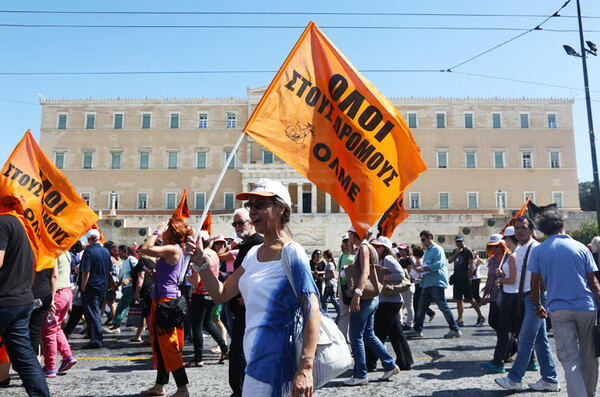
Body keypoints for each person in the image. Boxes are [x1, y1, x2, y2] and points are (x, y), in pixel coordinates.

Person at [185, 178, 321, 397]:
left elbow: (312, 309)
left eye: (259, 204)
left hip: (276, 362)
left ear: (280, 209)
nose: (252, 211)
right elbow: (221, 294)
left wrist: (306, 368)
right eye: (251, 205)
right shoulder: (252, 254)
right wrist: (201, 262)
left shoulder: (291, 251)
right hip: (253, 359)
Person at [529, 208, 600, 396]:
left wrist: (538, 305)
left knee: (570, 360)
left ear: (543, 229)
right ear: (562, 225)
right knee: (590, 357)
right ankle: (589, 393)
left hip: (559, 308)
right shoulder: (581, 248)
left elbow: (534, 283)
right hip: (586, 306)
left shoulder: (539, 250)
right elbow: (593, 282)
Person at [495, 215, 560, 391]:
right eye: (517, 228)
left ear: (532, 230)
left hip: (535, 298)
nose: (519, 231)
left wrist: (538, 299)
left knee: (525, 338)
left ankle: (515, 378)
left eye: (523, 227)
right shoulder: (523, 248)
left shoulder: (536, 248)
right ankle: (550, 379)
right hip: (527, 297)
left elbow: (545, 275)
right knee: (540, 341)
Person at [139, 218, 192, 397]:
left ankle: (182, 388)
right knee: (160, 345)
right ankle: (160, 385)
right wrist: (156, 274)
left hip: (166, 301)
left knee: (169, 345)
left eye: (167, 229)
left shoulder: (172, 249)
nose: (164, 232)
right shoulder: (173, 250)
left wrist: (156, 231)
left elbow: (145, 250)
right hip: (161, 299)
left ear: (173, 231)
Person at [0, 208, 50, 396]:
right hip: (21, 299)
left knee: (25, 357)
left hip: (4, 300)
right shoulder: (21, 225)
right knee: (25, 358)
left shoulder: (2, 224)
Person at [344, 227, 400, 386]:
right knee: (369, 334)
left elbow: (365, 272)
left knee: (356, 336)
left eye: (350, 233)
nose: (348, 236)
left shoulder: (363, 248)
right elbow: (351, 253)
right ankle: (389, 364)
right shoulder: (367, 247)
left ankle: (360, 374)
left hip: (364, 297)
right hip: (373, 298)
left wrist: (357, 293)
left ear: (354, 234)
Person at [227, 207, 263, 397]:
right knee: (239, 352)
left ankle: (240, 392)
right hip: (242, 306)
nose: (238, 226)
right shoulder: (248, 243)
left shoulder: (256, 243)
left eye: (241, 222)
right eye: (235, 223)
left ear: (252, 223)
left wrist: (246, 294)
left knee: (239, 353)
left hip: (247, 307)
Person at [366, 236, 413, 372]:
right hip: (387, 301)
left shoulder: (387, 259)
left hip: (390, 302)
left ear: (384, 248)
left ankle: (370, 362)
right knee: (395, 333)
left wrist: (382, 277)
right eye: (374, 246)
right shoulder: (379, 260)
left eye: (378, 246)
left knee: (377, 333)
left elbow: (400, 274)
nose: (375, 248)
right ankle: (405, 361)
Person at [406, 231, 461, 339]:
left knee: (442, 306)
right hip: (427, 283)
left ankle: (455, 329)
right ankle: (417, 329)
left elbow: (438, 265)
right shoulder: (427, 251)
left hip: (436, 282)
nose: (422, 242)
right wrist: (420, 272)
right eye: (421, 240)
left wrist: (421, 269)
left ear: (430, 237)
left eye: (423, 239)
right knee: (421, 308)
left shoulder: (437, 249)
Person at [187, 230, 228, 368]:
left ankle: (198, 358)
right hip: (211, 293)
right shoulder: (214, 254)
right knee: (208, 323)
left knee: (197, 327)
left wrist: (182, 278)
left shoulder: (200, 256)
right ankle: (224, 347)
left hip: (200, 294)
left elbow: (195, 281)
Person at [41, 251, 76, 378]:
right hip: (67, 292)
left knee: (48, 331)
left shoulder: (54, 251)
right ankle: (67, 356)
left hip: (57, 294)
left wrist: (51, 298)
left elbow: (54, 276)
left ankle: (50, 367)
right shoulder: (66, 251)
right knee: (56, 328)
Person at [80, 229, 112, 349]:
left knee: (93, 313)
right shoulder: (105, 251)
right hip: (102, 286)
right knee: (96, 312)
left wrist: (83, 285)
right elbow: (109, 270)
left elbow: (86, 271)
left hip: (91, 286)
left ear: (88, 240)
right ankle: (93, 335)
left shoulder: (88, 251)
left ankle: (96, 340)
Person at [447, 235, 485, 327]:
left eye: (461, 241)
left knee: (470, 298)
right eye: (458, 242)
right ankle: (460, 318)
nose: (459, 243)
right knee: (458, 299)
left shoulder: (467, 251)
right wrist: (455, 253)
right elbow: (450, 261)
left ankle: (480, 316)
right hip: (457, 278)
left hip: (465, 278)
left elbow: (472, 263)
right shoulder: (455, 251)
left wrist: (470, 274)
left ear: (464, 241)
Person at [105, 245, 138, 334]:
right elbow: (122, 276)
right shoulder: (123, 263)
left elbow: (137, 272)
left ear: (126, 252)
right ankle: (115, 324)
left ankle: (117, 325)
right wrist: (116, 285)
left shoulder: (132, 260)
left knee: (124, 307)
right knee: (120, 307)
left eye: (121, 251)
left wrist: (129, 279)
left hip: (131, 287)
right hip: (126, 287)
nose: (119, 253)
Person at [480, 234, 507, 332]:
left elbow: (515, 276)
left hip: (505, 294)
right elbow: (489, 278)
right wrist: (484, 295)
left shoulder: (509, 258)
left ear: (502, 245)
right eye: (491, 246)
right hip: (494, 295)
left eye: (496, 246)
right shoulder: (491, 260)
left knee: (504, 322)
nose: (494, 248)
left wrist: (502, 274)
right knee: (493, 321)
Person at [410, 245, 435, 325]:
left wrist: (417, 277)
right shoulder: (417, 260)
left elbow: (421, 271)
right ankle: (427, 314)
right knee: (417, 302)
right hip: (417, 283)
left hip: (419, 283)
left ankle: (418, 318)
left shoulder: (419, 261)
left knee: (417, 302)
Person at [336, 232, 354, 339]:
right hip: (343, 288)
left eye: (348, 240)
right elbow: (339, 274)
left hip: (354, 287)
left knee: (355, 313)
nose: (347, 243)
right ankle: (343, 337)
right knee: (343, 314)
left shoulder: (356, 254)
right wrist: (338, 289)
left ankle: (354, 336)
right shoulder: (342, 256)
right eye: (345, 241)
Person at [397, 244, 415, 330]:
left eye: (402, 249)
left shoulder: (409, 260)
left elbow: (409, 274)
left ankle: (409, 323)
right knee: (401, 304)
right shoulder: (400, 260)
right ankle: (401, 321)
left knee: (409, 305)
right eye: (399, 249)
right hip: (402, 284)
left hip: (408, 284)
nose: (401, 251)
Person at [320, 249, 340, 321]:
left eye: (324, 254)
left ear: (326, 255)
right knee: (328, 299)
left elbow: (333, 275)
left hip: (330, 284)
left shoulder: (330, 264)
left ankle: (338, 310)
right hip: (328, 284)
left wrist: (324, 278)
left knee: (331, 299)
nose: (323, 256)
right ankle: (325, 312)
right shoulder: (329, 263)